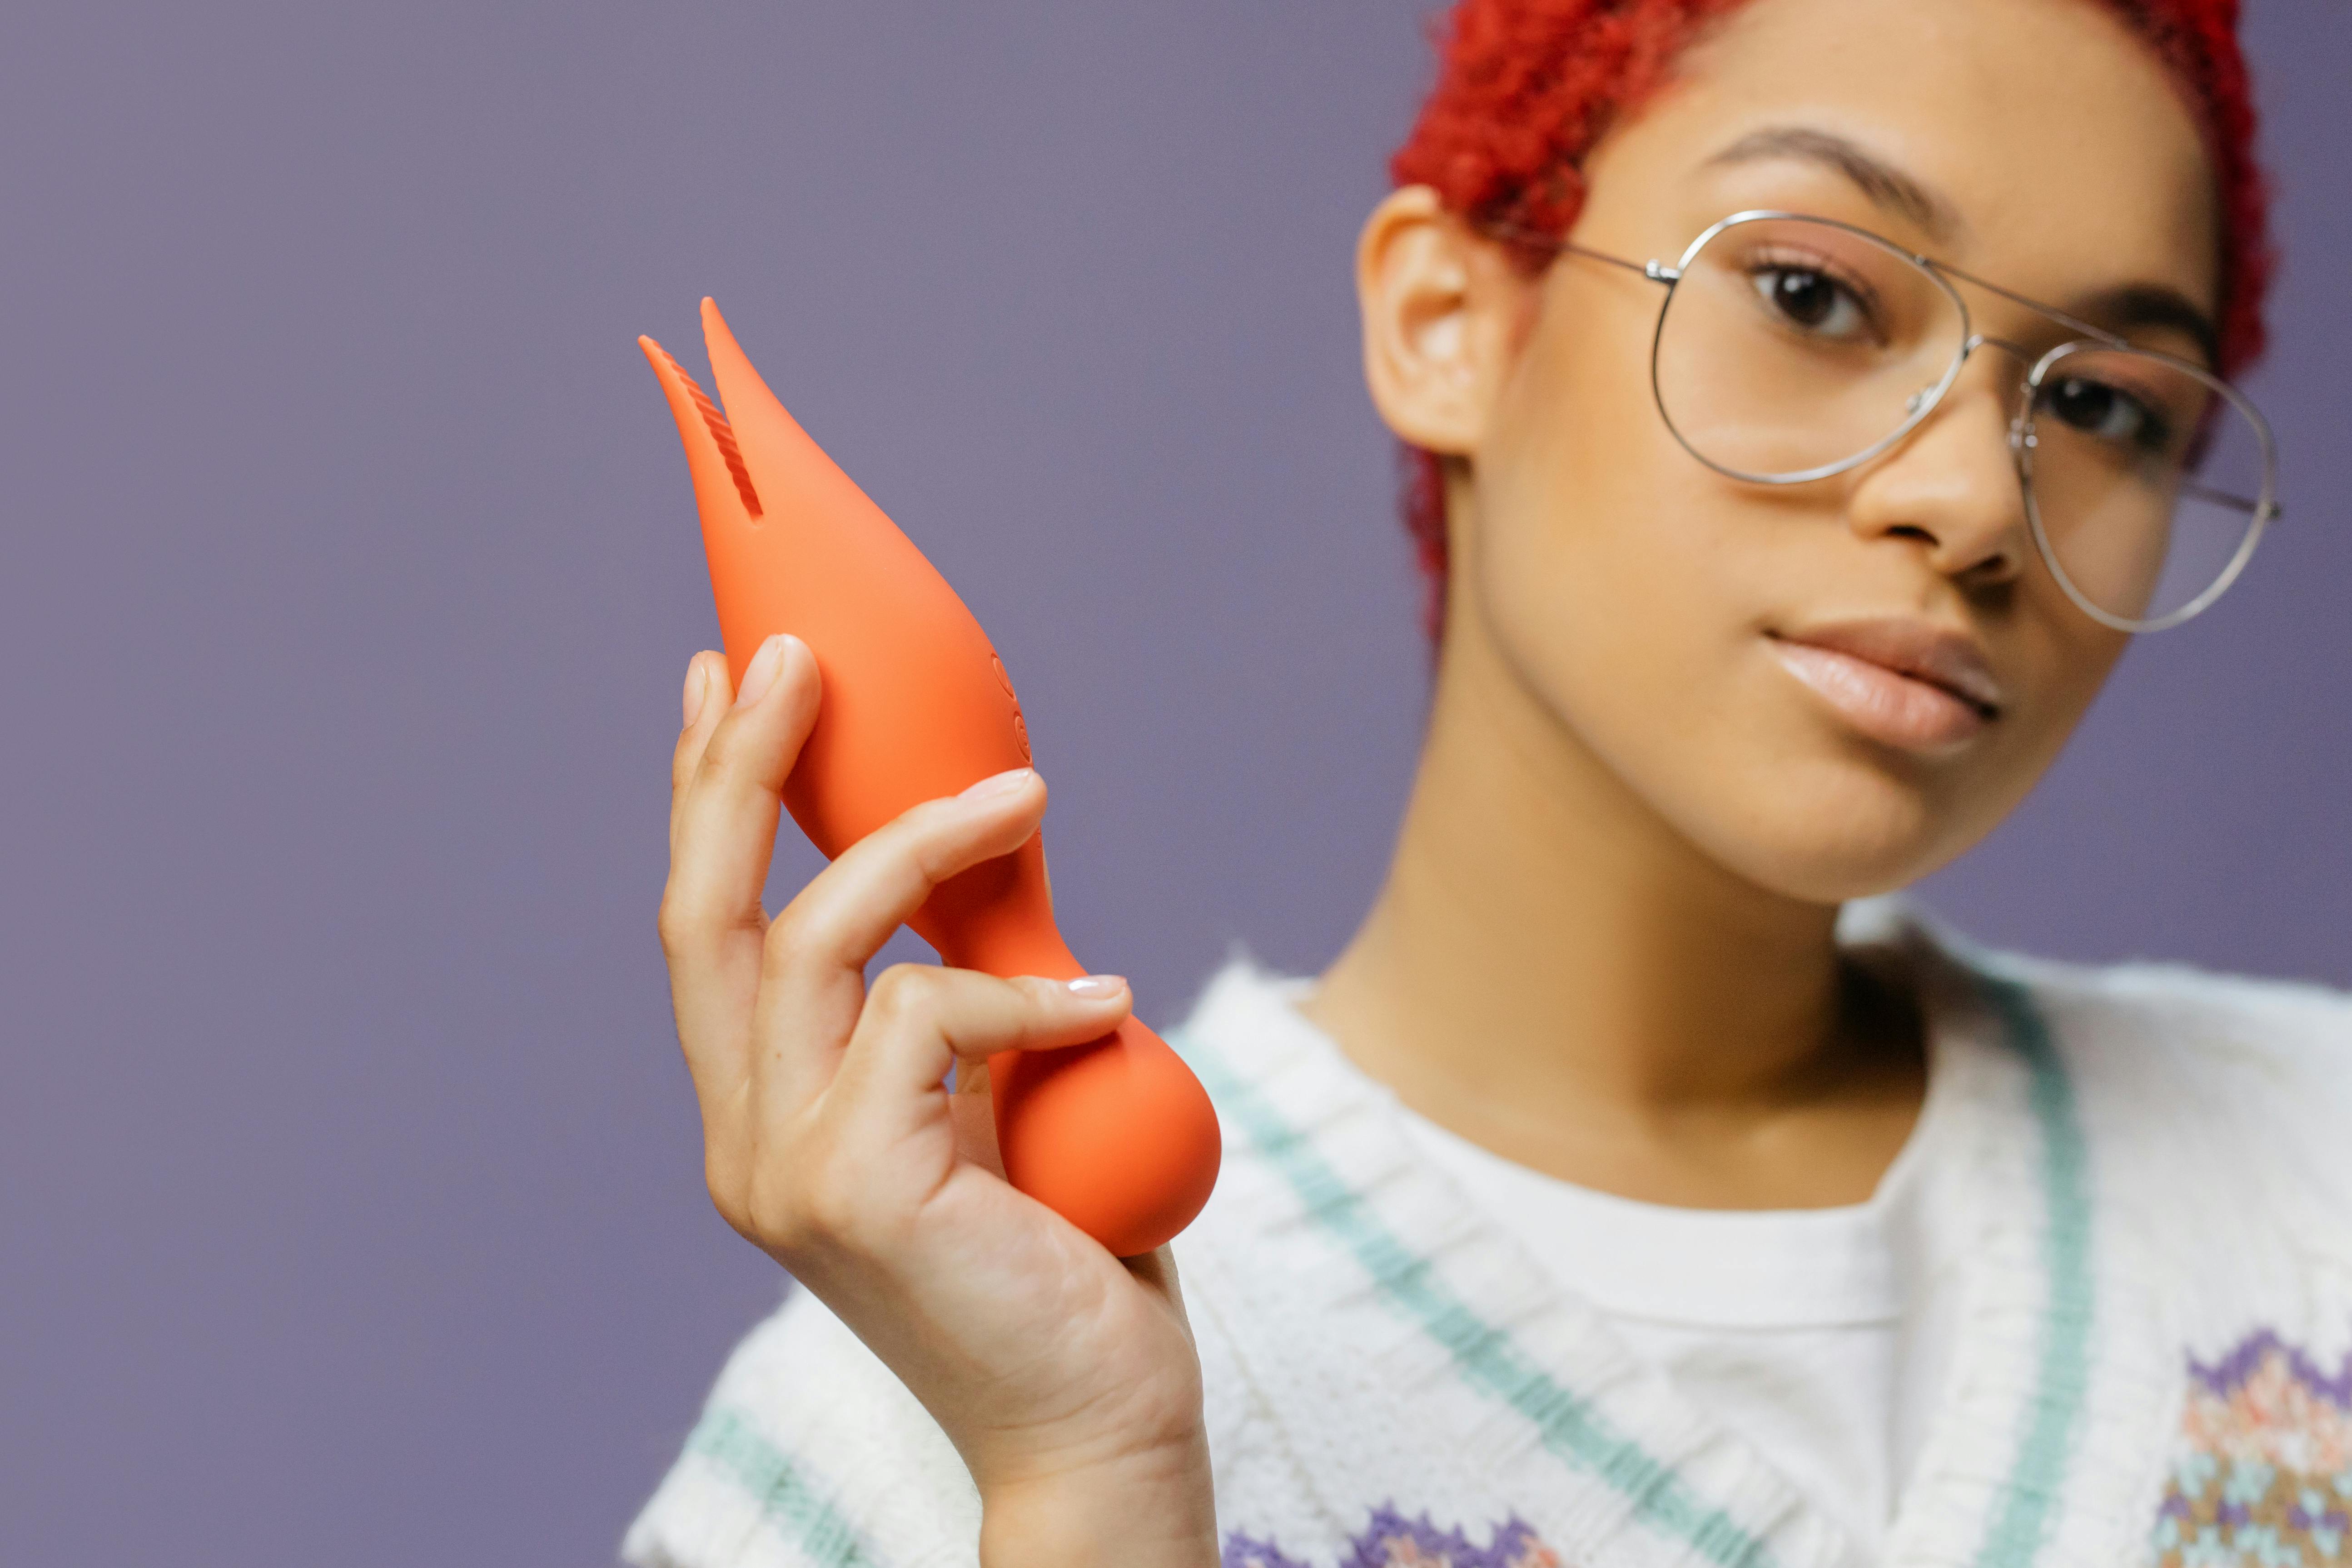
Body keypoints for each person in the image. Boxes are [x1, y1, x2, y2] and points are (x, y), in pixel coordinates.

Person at [623, 1, 2349, 1564]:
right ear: (1445, 320)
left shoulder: (2311, 1162)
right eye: (1813, 295)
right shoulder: (922, 1421)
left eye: (2108, 406)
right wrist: (1089, 1485)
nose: (1975, 500)